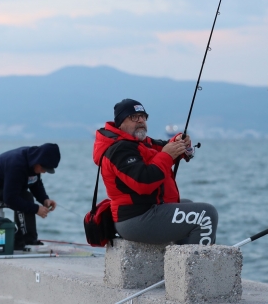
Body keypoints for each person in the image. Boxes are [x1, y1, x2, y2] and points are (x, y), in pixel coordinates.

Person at [93, 98, 217, 245]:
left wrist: (180, 143)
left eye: (143, 116)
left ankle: (180, 263)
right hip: (135, 219)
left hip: (148, 210)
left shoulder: (140, 143)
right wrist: (167, 155)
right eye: (134, 117)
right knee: (206, 215)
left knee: (187, 204)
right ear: (120, 123)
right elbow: (143, 182)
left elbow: (163, 148)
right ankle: (198, 266)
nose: (140, 120)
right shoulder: (118, 150)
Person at [0, 143, 60, 250]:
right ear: (38, 161)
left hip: (3, 188)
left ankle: (27, 240)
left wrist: (44, 199)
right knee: (22, 200)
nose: (44, 172)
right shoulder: (17, 164)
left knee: (24, 198)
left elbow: (35, 183)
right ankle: (25, 241)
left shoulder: (33, 160)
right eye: (44, 168)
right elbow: (10, 199)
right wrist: (36, 209)